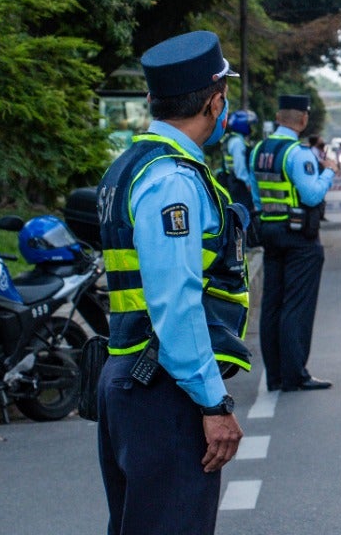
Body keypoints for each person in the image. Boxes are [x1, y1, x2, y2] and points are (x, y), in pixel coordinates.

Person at [95, 30, 249, 535]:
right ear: (214, 100)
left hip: (134, 375)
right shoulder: (171, 180)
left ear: (151, 101)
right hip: (162, 386)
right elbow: (176, 303)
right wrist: (212, 402)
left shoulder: (131, 166)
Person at [248, 94, 337, 392]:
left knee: (273, 302)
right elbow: (312, 195)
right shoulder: (297, 154)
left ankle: (275, 375)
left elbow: (256, 195)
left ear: (277, 116)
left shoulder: (259, 150)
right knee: (296, 305)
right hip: (299, 236)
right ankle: (294, 374)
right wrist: (329, 171)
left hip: (270, 232)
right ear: (303, 120)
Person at [219, 109, 257, 207]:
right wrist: (248, 184)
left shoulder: (230, 138)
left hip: (232, 181)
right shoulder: (238, 142)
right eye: (249, 124)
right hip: (239, 184)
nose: (251, 128)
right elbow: (240, 167)